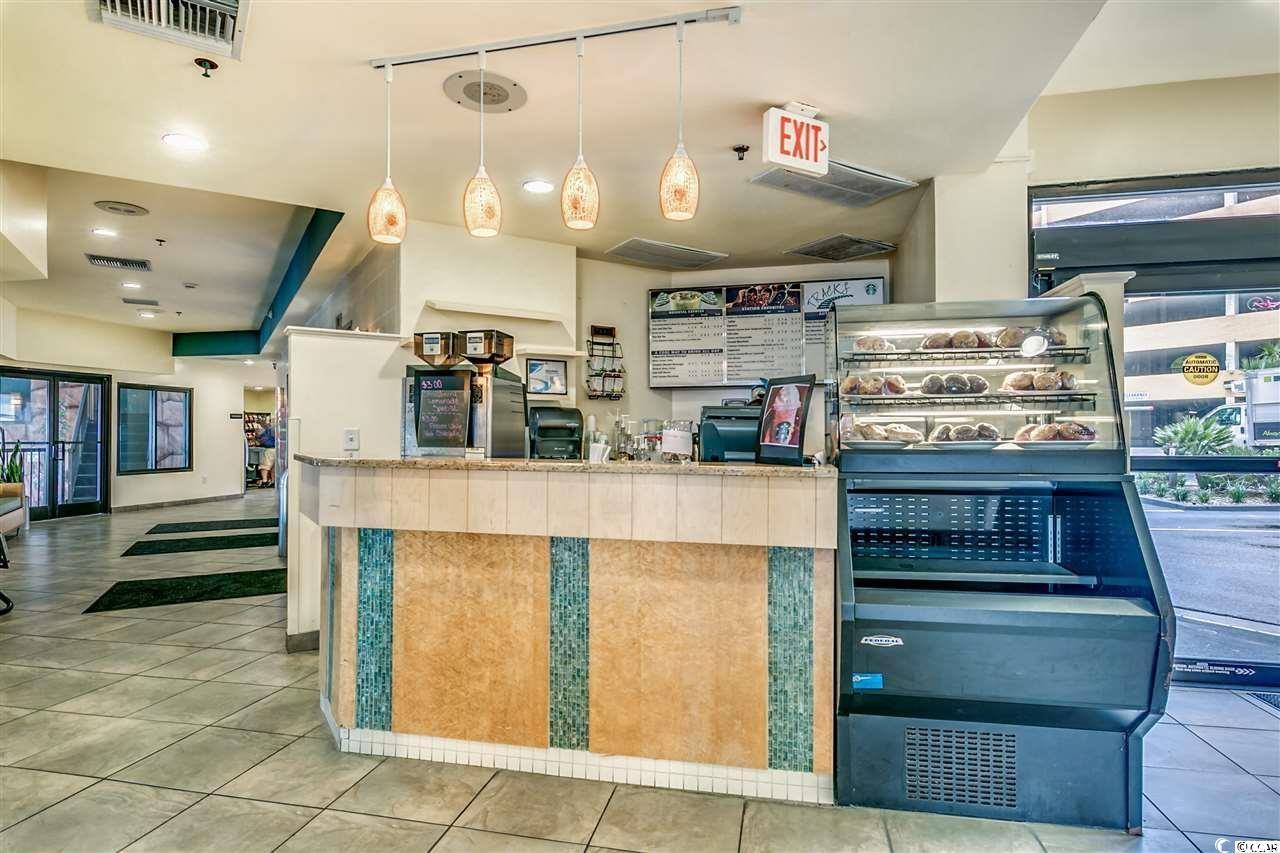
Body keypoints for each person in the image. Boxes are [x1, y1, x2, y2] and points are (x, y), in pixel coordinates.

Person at [256, 421, 276, 488]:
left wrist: (258, 435)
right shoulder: (276, 428)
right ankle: (273, 482)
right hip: (277, 449)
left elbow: (262, 439)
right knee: (273, 467)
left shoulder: (267, 430)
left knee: (264, 466)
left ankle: (264, 482)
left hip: (269, 449)